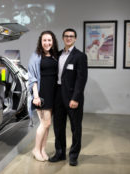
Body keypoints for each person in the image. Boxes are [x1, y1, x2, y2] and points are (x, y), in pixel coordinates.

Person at [49, 28, 88, 166]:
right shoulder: (58, 54)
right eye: (66, 36)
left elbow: (81, 79)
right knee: (58, 127)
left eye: (71, 36)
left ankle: (73, 156)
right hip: (58, 94)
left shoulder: (80, 56)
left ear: (75, 38)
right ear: (63, 38)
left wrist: (76, 98)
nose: (68, 38)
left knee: (75, 127)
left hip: (72, 96)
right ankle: (60, 153)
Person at [28, 31, 58, 162]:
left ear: (53, 41)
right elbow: (32, 77)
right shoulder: (36, 56)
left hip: (53, 92)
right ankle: (36, 149)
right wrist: (36, 96)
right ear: (41, 42)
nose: (47, 43)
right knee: (45, 123)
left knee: (48, 124)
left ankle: (42, 149)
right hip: (42, 92)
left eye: (49, 40)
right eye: (44, 40)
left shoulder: (54, 55)